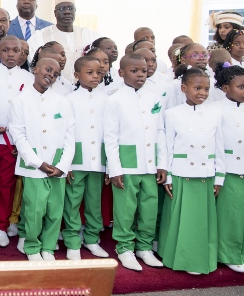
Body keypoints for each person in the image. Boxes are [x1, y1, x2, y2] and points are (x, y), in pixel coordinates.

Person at [104, 54, 165, 272]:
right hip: (126, 164)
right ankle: (125, 248)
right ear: (121, 73)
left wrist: (162, 163)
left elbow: (160, 131)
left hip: (150, 164)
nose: (140, 74)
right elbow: (110, 137)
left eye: (144, 71)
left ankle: (145, 247)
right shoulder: (114, 100)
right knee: (125, 209)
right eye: (134, 70)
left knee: (149, 208)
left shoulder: (155, 98)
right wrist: (114, 169)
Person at [159, 67, 223, 275]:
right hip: (181, 173)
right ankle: (178, 257)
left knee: (200, 221)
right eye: (197, 88)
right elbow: (168, 147)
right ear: (184, 88)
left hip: (205, 173)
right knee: (181, 219)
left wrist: (219, 176)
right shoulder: (172, 114)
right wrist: (167, 175)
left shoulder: (214, 113)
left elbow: (219, 146)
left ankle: (199, 258)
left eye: (206, 89)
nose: (202, 93)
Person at [10, 57, 75, 261]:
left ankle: (48, 247)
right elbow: (18, 135)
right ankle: (32, 246)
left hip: (57, 165)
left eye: (56, 74)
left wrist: (63, 165)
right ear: (35, 69)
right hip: (34, 165)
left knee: (55, 210)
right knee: (34, 210)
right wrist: (37, 163)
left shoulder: (62, 102)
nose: (51, 75)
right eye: (48, 70)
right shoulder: (20, 100)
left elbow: (69, 137)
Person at [211, 64, 244, 273]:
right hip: (229, 170)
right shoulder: (215, 110)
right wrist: (219, 175)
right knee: (230, 216)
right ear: (225, 88)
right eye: (241, 87)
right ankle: (229, 254)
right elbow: (217, 145)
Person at [0, 35, 33, 247]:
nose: (11, 54)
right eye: (6, 50)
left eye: (16, 50)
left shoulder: (29, 78)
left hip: (14, 145)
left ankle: (2, 225)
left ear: (22, 54)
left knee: (7, 185)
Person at [63, 56, 110, 260]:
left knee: (94, 202)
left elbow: (110, 132)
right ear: (76, 75)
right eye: (89, 73)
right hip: (76, 159)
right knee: (72, 201)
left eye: (99, 73)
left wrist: (109, 164)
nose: (95, 77)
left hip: (98, 158)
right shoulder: (69, 100)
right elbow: (66, 132)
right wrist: (67, 164)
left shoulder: (107, 100)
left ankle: (91, 238)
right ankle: (73, 241)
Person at [28, 0, 100, 84]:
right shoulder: (40, 36)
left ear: (75, 11)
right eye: (62, 8)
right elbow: (33, 63)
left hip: (84, 90)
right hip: (53, 89)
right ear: (55, 13)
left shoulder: (89, 35)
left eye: (71, 8)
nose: (67, 12)